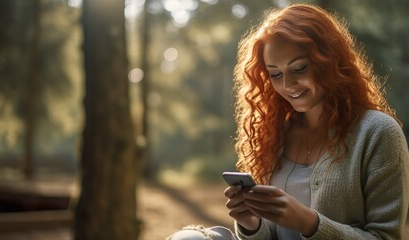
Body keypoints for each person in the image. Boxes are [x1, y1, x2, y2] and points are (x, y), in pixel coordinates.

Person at [167, 3, 409, 240]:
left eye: (299, 68)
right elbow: (270, 233)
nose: (287, 85)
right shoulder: (274, 133)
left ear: (329, 60)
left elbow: (385, 236)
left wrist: (309, 223)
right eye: (275, 74)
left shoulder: (377, 132)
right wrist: (252, 224)